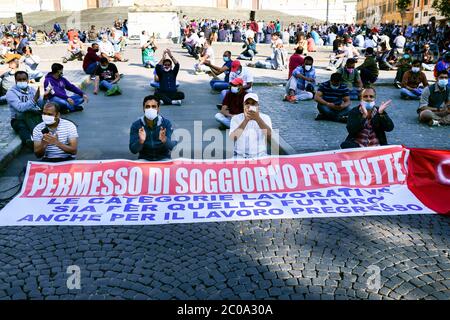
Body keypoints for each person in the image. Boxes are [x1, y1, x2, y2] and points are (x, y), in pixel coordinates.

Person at [129, 95, 176, 161]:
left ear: (158, 108)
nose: (150, 109)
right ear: (143, 108)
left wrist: (164, 140)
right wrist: (141, 141)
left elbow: (173, 147)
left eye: (153, 107)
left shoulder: (166, 123)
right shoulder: (136, 125)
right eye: (147, 107)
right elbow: (133, 150)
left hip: (163, 159)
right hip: (144, 159)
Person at [6, 70, 44, 148]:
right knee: (22, 126)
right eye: (19, 80)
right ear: (15, 80)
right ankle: (29, 141)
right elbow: (20, 108)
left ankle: (40, 138)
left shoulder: (32, 90)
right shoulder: (11, 93)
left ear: (27, 80)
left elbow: (40, 105)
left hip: (34, 116)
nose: (22, 81)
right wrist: (34, 100)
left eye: (24, 79)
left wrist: (44, 99)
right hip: (18, 119)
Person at [229, 93, 272, 159]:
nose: (250, 106)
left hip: (260, 155)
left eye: (253, 104)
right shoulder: (236, 118)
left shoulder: (265, 117)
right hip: (239, 156)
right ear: (243, 105)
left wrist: (258, 119)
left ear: (258, 105)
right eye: (247, 103)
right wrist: (246, 120)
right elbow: (232, 138)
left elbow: (270, 136)